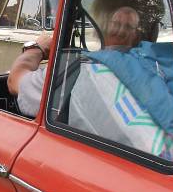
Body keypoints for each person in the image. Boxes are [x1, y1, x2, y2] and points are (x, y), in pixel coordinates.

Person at [8, 6, 142, 118]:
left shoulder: (82, 69)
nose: (119, 30)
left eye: (125, 26)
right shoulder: (148, 66)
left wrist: (37, 48)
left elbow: (14, 81)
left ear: (103, 28)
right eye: (117, 24)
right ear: (135, 35)